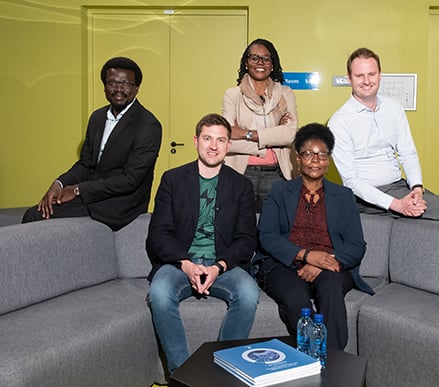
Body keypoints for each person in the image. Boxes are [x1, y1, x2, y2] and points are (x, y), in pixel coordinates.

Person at [146, 113, 260, 374]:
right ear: (196, 141)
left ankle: (222, 372)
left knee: (249, 293)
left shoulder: (241, 185)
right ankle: (183, 375)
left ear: (228, 145)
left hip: (223, 266)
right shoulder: (172, 179)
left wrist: (219, 266)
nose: (213, 146)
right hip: (179, 263)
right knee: (160, 294)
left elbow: (246, 239)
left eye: (221, 140)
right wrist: (186, 265)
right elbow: (159, 233)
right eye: (207, 138)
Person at [254, 123, 373, 351]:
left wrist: (325, 262)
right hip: (284, 265)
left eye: (322, 154)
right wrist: (306, 255)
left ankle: (334, 361)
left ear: (328, 160)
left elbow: (357, 244)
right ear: (298, 159)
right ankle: (311, 356)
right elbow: (267, 235)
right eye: (308, 153)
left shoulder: (344, 196)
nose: (315, 160)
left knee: (330, 289)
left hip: (330, 265)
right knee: (293, 293)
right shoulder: (280, 191)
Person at [328, 47, 439, 224]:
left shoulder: (393, 108)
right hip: (364, 197)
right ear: (349, 78)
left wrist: (416, 187)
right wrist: (396, 204)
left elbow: (407, 152)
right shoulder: (339, 121)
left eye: (371, 74)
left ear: (380, 75)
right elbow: (351, 181)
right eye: (359, 76)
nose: (366, 81)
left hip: (398, 186)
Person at [22, 57, 162, 231]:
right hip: (93, 194)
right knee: (35, 213)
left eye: (125, 83)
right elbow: (85, 164)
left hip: (121, 205)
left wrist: (77, 190)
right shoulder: (97, 117)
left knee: (36, 217)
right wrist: (59, 183)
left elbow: (130, 180)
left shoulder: (148, 125)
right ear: (104, 86)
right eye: (112, 82)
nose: (118, 89)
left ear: (136, 87)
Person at [222, 38, 298, 212]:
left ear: (272, 65)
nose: (260, 63)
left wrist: (246, 133)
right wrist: (271, 139)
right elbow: (227, 139)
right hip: (241, 173)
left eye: (266, 58)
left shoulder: (285, 94)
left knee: (273, 230)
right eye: (254, 58)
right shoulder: (233, 95)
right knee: (240, 230)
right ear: (246, 63)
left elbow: (290, 135)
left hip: (277, 174)